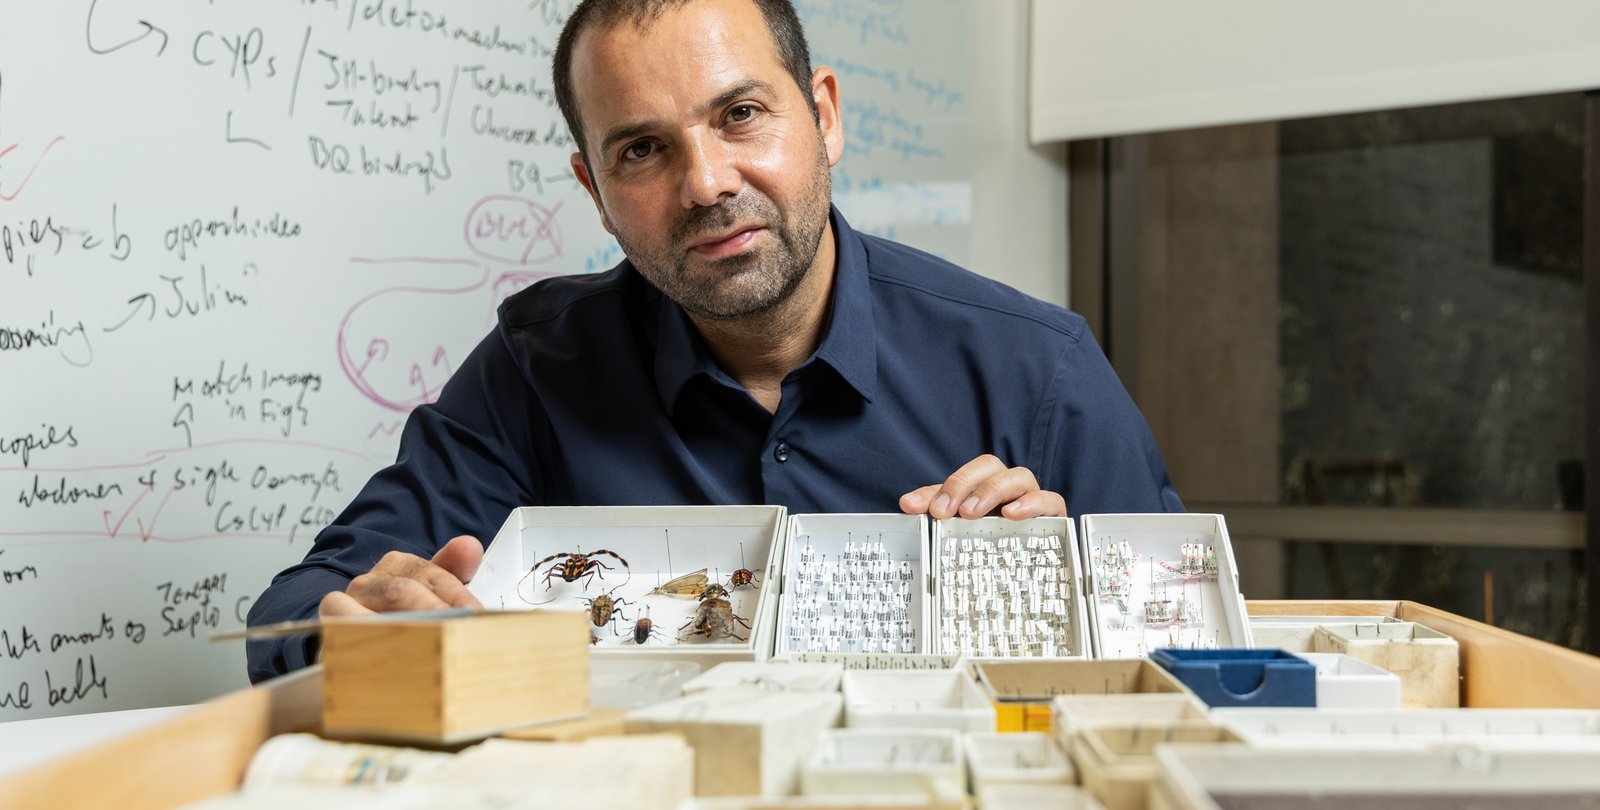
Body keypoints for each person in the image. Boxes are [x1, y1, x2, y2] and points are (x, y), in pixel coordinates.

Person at [246, 0, 1182, 682]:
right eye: (643, 150)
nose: (705, 183)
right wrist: (364, 624)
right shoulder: (537, 369)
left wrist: (1068, 595)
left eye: (740, 115)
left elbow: (1188, 652)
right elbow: (298, 611)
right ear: (594, 189)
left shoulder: (1039, 368)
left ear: (823, 115)